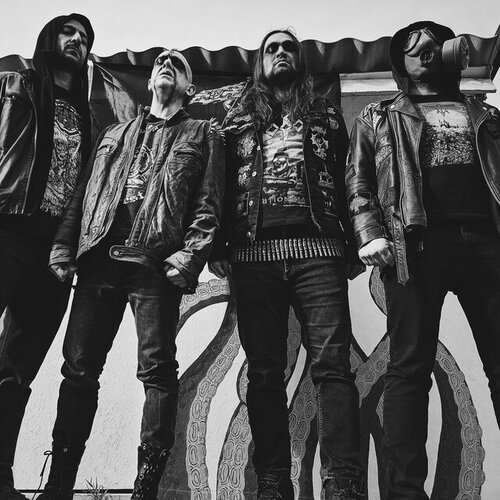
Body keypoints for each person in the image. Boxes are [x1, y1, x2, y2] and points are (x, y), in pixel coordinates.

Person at [37, 49, 225, 500]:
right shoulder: (113, 133)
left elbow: (209, 203)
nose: (165, 64)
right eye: (160, 61)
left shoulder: (203, 133)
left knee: (157, 371)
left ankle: (146, 489)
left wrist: (189, 257)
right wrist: (64, 245)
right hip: (99, 260)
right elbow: (83, 194)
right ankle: (59, 485)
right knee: (78, 370)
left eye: (177, 64)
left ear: (190, 88)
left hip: (154, 264)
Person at [346, 20, 500, 500]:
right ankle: (405, 493)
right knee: (410, 369)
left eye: (434, 44)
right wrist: (369, 232)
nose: (426, 51)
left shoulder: (486, 114)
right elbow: (359, 181)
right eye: (414, 47)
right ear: (401, 62)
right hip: (415, 246)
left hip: (487, 242)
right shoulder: (378, 115)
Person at [210, 29, 364, 500]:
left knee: (333, 367)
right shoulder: (236, 118)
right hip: (253, 255)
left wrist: (356, 244)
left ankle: (342, 484)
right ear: (260, 63)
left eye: (288, 47)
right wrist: (216, 246)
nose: (280, 53)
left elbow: (350, 175)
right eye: (271, 48)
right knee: (264, 372)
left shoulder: (327, 114)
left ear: (301, 60)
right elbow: (219, 183)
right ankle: (273, 483)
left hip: (320, 251)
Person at [0, 14, 95, 500]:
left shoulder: (89, 115)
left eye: (85, 38)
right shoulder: (12, 83)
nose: (76, 41)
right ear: (49, 38)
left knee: (16, 370)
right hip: (6, 230)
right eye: (68, 32)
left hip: (54, 252)